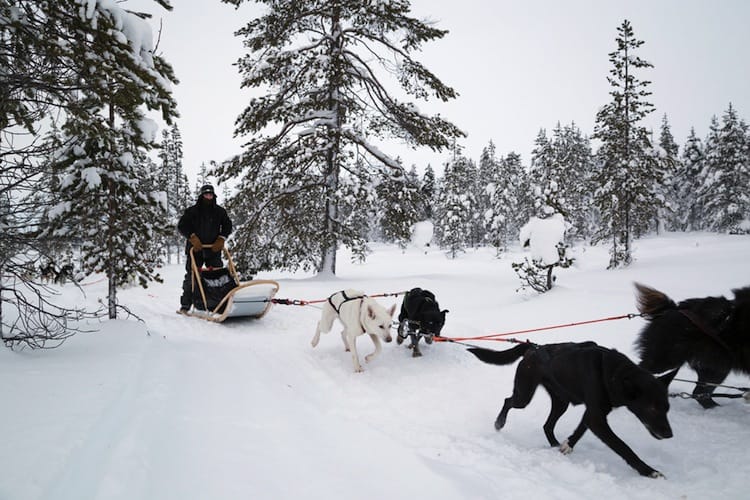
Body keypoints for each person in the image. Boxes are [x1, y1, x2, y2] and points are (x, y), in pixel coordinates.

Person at [177, 184, 233, 312]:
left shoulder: (220, 211)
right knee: (192, 276)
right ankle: (186, 305)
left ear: (214, 196)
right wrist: (192, 236)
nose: (208, 196)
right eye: (206, 194)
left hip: (213, 249)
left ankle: (220, 303)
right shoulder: (192, 211)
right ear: (201, 196)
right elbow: (182, 226)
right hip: (195, 249)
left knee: (218, 276)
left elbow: (227, 226)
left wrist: (222, 238)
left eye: (210, 194)